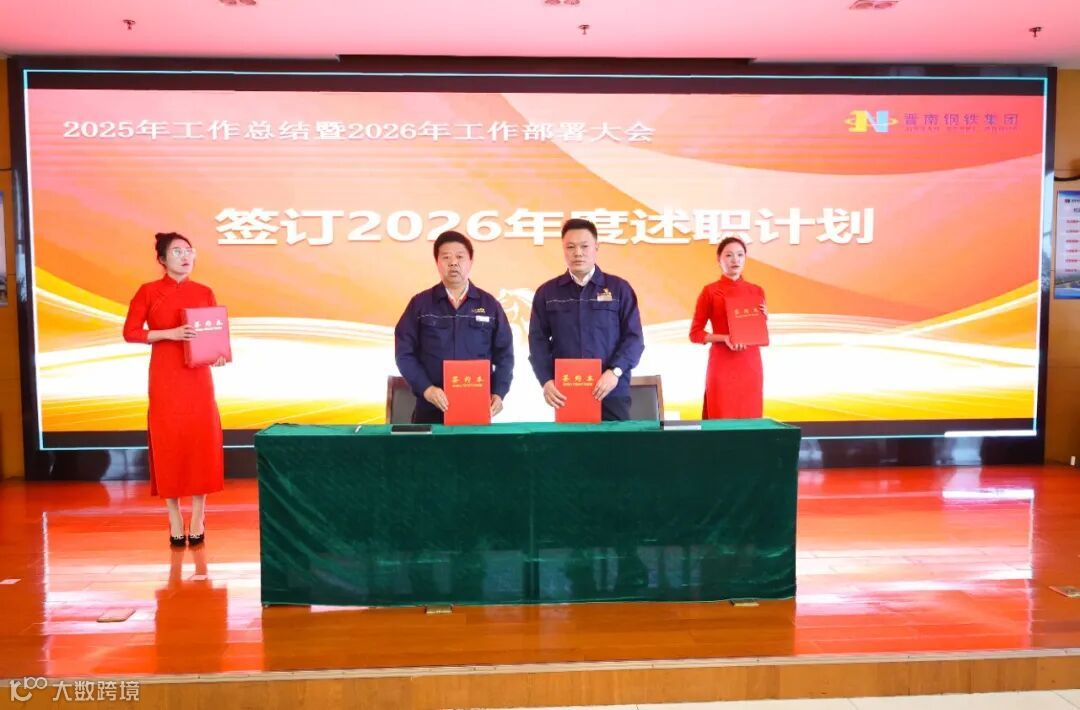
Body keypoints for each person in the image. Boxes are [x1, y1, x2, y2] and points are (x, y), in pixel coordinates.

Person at [123, 232, 226, 547]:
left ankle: (198, 514)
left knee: (201, 441)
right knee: (169, 442)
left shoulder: (204, 292)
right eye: (177, 251)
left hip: (198, 379)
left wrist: (218, 353)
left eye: (189, 251)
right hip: (166, 378)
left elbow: (212, 333)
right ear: (162, 259)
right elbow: (131, 332)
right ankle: (173, 515)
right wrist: (170, 333)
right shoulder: (149, 291)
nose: (185, 257)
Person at [528, 218, 644, 421]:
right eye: (570, 247)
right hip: (566, 391)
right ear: (563, 249)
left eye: (584, 246)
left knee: (615, 441)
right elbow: (538, 342)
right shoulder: (547, 292)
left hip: (611, 390)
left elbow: (634, 339)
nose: (578, 253)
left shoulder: (619, 289)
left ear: (596, 247)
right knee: (571, 442)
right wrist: (546, 380)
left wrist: (615, 372)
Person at [394, 230, 514, 424]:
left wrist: (499, 392)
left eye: (459, 257)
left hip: (477, 406)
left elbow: (505, 355)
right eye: (446, 257)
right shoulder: (420, 304)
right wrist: (426, 389)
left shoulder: (490, 305)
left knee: (475, 445)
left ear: (470, 261)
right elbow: (404, 353)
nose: (453, 263)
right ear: (437, 262)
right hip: (430, 406)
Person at [689, 236, 768, 419]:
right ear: (719, 259)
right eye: (729, 255)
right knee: (721, 419)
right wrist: (724, 338)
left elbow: (757, 332)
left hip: (750, 364)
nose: (735, 260)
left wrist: (764, 317)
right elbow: (695, 334)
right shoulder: (710, 291)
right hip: (722, 364)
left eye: (740, 255)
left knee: (750, 421)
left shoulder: (756, 291)